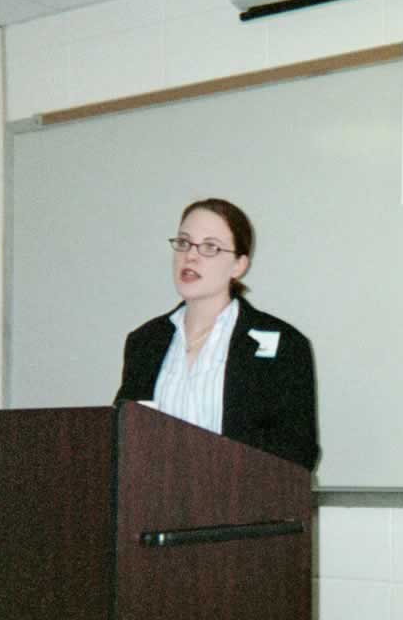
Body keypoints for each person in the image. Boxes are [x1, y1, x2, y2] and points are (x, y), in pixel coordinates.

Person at [115, 198, 319, 471]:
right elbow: (123, 438)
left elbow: (297, 451)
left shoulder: (284, 345)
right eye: (184, 243)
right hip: (155, 507)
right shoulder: (146, 342)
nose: (191, 256)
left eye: (210, 247)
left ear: (238, 265)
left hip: (240, 508)